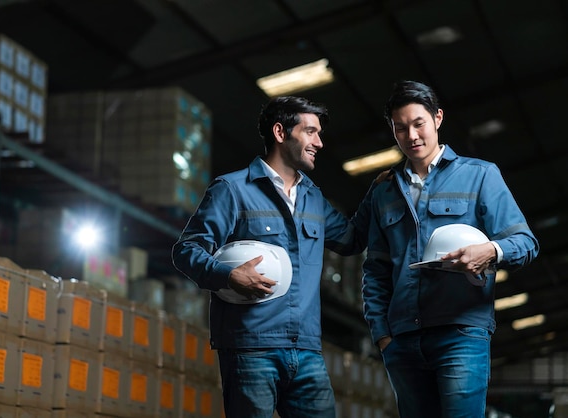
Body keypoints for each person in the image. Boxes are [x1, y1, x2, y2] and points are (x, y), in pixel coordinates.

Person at [172, 96, 375, 418]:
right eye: (310, 132)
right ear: (280, 132)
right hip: (251, 347)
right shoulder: (233, 189)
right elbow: (186, 251)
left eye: (319, 133)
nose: (319, 143)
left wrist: (379, 196)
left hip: (307, 349)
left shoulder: (314, 198)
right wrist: (228, 275)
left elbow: (351, 241)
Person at [361, 80, 540, 418]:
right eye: (400, 129)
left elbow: (526, 243)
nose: (411, 136)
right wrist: (382, 335)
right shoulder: (384, 190)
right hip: (403, 340)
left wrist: (489, 251)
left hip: (461, 334)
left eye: (418, 124)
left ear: (437, 118)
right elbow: (376, 269)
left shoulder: (481, 175)